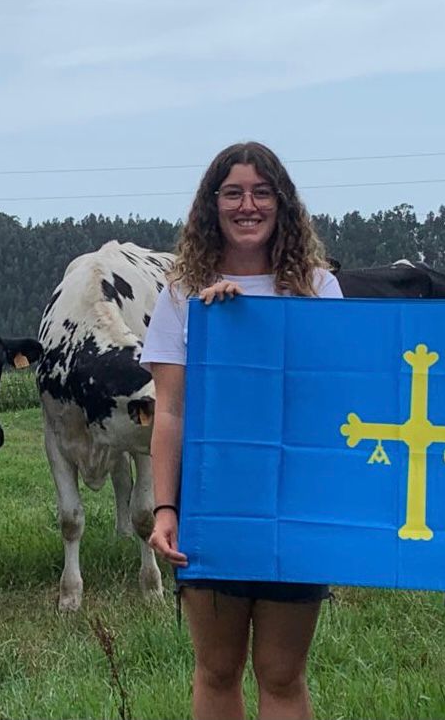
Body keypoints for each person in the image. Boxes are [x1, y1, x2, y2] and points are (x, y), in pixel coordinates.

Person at [143, 140, 342, 720]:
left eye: (261, 192)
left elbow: (330, 394)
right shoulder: (182, 296)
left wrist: (248, 330)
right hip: (210, 501)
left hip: (292, 502)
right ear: (212, 205)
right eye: (233, 193)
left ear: (283, 204)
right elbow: (170, 411)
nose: (247, 205)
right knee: (217, 670)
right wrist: (164, 508)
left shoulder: (317, 290)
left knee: (282, 674)